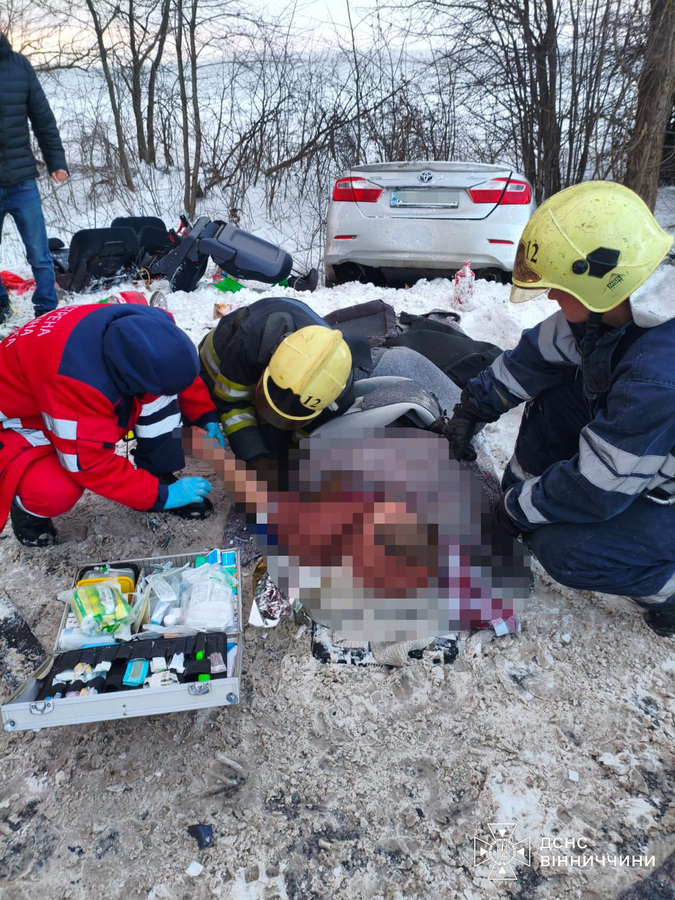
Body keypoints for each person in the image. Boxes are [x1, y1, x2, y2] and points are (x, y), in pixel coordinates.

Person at [443, 181, 675, 636]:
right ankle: (526, 507)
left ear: (597, 282)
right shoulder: (619, 304)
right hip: (641, 448)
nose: (551, 296)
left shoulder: (655, 374)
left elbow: (599, 486)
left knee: (564, 550)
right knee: (559, 393)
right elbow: (536, 357)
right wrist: (473, 407)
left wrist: (515, 511)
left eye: (559, 287)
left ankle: (668, 589)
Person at [0, 303, 226, 547]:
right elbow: (90, 464)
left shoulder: (149, 327)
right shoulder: (78, 381)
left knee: (158, 392)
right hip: (20, 423)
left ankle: (158, 474)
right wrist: (161, 497)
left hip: (52, 391)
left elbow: (173, 370)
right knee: (55, 489)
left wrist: (204, 415)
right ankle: (29, 515)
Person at [199, 297, 372, 484]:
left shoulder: (337, 393)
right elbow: (232, 403)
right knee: (208, 410)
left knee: (276, 446)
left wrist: (290, 463)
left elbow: (307, 434)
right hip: (222, 359)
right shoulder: (250, 341)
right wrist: (254, 457)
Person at [0, 30, 69, 323]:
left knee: (39, 253)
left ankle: (46, 309)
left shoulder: (19, 66)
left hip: (22, 181)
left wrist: (56, 161)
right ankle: (1, 305)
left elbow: (43, 118)